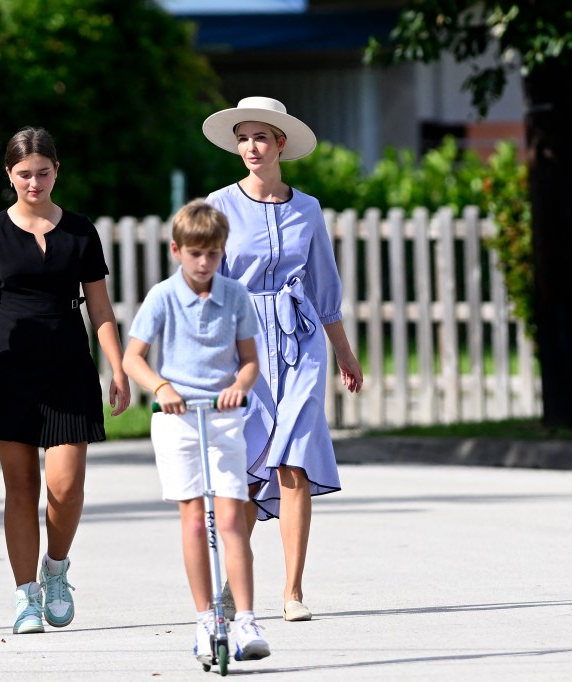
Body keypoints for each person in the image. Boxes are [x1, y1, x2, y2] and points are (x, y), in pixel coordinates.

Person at [0, 126, 130, 634]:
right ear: (9, 175)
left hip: (70, 363)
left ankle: (56, 570)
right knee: (20, 486)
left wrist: (117, 367)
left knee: (66, 487)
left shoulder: (79, 230)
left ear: (56, 171)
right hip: (8, 363)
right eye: (24, 174)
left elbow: (101, 308)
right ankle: (25, 595)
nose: (34, 183)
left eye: (42, 173)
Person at [201, 97, 363, 623]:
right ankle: (231, 582)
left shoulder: (308, 208)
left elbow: (324, 285)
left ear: (280, 145)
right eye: (243, 138)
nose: (251, 147)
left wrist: (344, 352)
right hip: (243, 344)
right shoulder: (219, 203)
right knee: (248, 467)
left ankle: (293, 591)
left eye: (260, 138)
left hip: (301, 340)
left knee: (295, 459)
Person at [123, 199, 271, 663]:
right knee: (193, 520)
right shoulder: (164, 297)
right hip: (178, 418)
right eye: (195, 254)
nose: (205, 263)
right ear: (177, 250)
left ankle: (244, 619)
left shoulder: (236, 297)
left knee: (230, 519)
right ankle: (205, 618)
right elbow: (133, 358)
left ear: (223, 251)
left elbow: (249, 361)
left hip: (223, 416)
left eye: (213, 254)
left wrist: (238, 386)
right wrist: (161, 387)